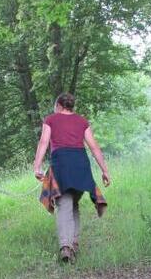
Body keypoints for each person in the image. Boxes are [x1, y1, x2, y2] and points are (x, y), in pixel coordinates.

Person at [33, 93, 110, 263]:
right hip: (81, 166)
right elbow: (94, 147)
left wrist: (36, 166)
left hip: (61, 164)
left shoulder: (51, 119)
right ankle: (73, 243)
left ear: (59, 105)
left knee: (64, 204)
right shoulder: (82, 121)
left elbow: (43, 142)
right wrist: (105, 171)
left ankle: (65, 247)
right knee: (73, 203)